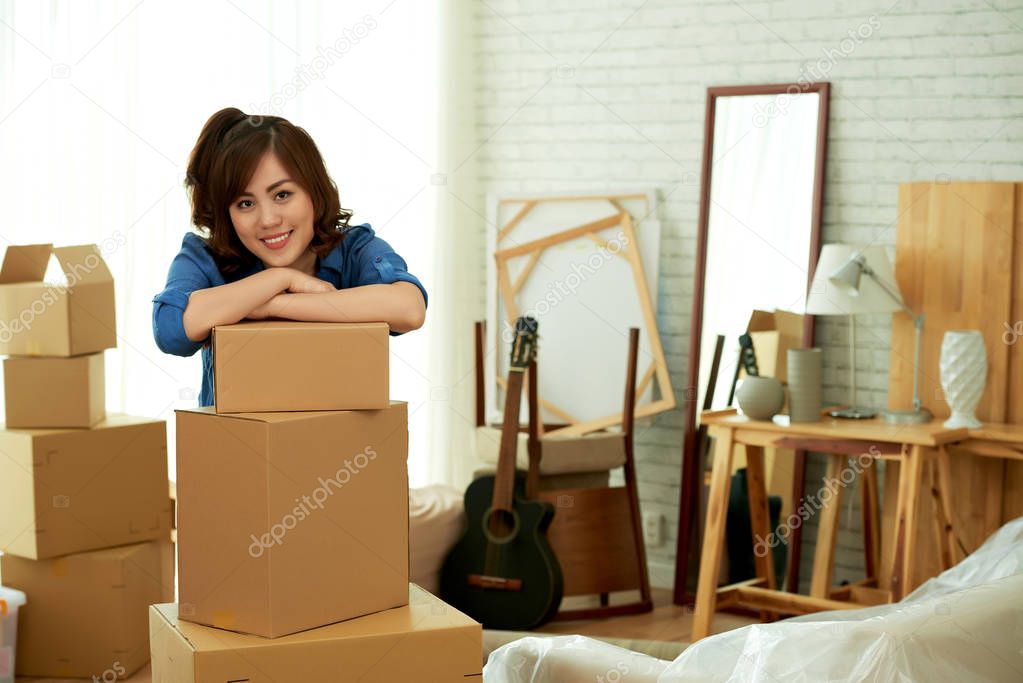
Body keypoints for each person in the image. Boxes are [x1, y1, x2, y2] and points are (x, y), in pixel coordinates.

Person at [153, 107, 427, 407]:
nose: (268, 219)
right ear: (227, 213)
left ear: (313, 190)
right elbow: (170, 330)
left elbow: (409, 309)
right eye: (245, 203)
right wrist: (280, 279)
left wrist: (272, 305)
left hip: (340, 446)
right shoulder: (205, 257)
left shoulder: (353, 249)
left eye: (282, 194)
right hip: (237, 447)